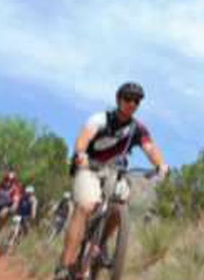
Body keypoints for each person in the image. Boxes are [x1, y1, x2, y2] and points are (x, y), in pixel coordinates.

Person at [54, 82, 169, 280]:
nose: (132, 103)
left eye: (137, 101)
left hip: (114, 171)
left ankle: (98, 244)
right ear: (118, 100)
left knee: (121, 203)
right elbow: (85, 137)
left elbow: (150, 148)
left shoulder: (137, 129)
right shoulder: (101, 119)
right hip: (89, 167)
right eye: (128, 99)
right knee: (86, 205)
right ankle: (65, 265)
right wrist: (80, 153)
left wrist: (161, 165)